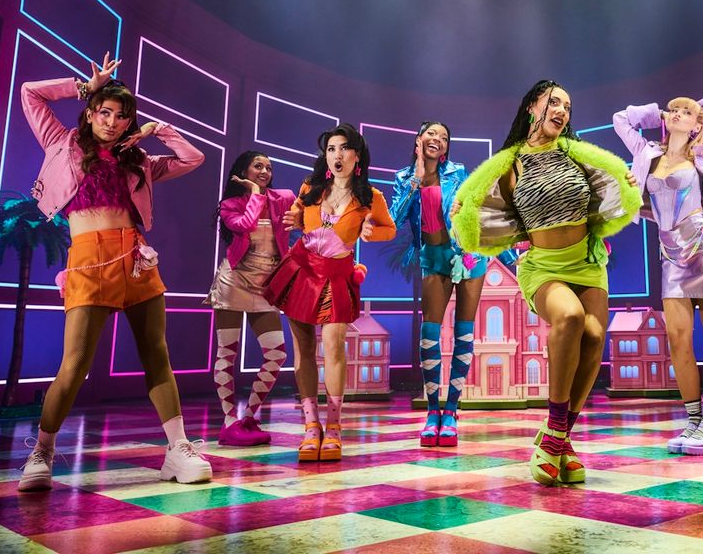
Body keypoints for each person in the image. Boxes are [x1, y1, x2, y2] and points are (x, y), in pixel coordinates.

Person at [18, 53, 210, 491]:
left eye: (122, 116)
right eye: (105, 112)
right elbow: (30, 93)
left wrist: (157, 129)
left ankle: (178, 449)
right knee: (75, 364)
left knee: (156, 355)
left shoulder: (137, 159)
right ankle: (41, 452)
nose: (112, 122)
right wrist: (85, 86)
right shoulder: (61, 142)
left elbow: (193, 157)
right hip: (89, 260)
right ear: (91, 113)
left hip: (137, 259)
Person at [452, 80, 642, 485]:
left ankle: (560, 440)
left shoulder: (577, 155)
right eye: (553, 102)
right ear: (531, 107)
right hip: (543, 266)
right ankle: (556, 433)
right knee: (570, 317)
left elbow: (608, 185)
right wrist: (463, 210)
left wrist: (623, 183)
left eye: (567, 107)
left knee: (594, 335)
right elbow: (482, 206)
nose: (561, 111)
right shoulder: (510, 164)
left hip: (587, 263)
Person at [613, 98, 703, 454]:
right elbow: (621, 119)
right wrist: (655, 112)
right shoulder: (647, 153)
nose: (677, 114)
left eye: (687, 112)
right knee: (676, 338)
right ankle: (693, 420)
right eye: (674, 109)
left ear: (698, 125)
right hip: (671, 253)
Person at [264, 124, 395, 462]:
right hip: (302, 270)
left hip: (336, 274)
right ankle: (311, 427)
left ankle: (334, 427)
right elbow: (297, 214)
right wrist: (295, 218)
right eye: (331, 149)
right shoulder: (311, 187)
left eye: (344, 148)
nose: (337, 155)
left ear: (357, 156)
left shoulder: (370, 197)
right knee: (304, 348)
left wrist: (371, 232)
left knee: (335, 346)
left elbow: (389, 228)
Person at [389, 122, 512, 447]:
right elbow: (395, 219)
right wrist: (416, 179)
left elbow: (478, 207)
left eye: (444, 137)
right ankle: (433, 411)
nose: (438, 139)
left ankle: (452, 411)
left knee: (464, 332)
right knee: (430, 332)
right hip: (433, 257)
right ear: (419, 140)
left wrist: (508, 250)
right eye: (432, 134)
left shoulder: (457, 172)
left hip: (467, 255)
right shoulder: (404, 177)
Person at [206, 150, 294, 446]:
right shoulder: (230, 204)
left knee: (277, 354)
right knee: (227, 353)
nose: (265, 171)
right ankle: (229, 421)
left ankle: (250, 416)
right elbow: (244, 225)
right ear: (243, 171)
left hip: (266, 285)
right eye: (258, 166)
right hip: (234, 281)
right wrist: (255, 193)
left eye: (269, 167)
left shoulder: (283, 198)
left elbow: (305, 217)